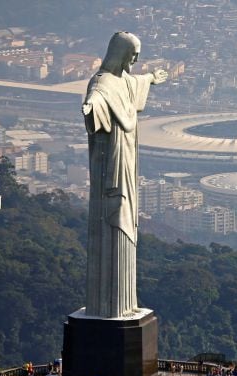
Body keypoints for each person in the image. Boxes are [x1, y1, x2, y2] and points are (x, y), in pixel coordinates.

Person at [82, 31, 167, 318]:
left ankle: (125, 304)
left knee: (127, 225)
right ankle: (109, 307)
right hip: (112, 170)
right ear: (119, 53)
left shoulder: (123, 81)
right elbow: (97, 98)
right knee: (114, 224)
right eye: (132, 55)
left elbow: (135, 83)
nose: (135, 60)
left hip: (127, 164)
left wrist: (152, 77)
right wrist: (91, 108)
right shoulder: (103, 84)